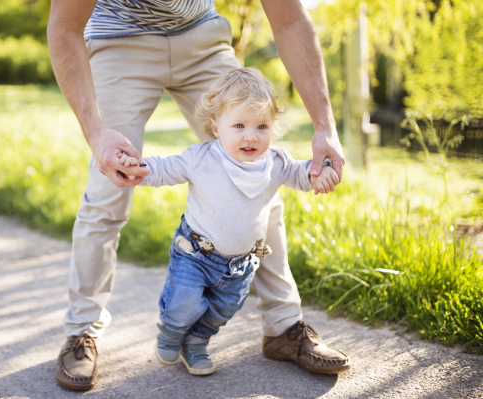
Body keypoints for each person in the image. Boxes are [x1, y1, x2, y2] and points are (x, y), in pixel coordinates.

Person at [48, 0, 348, 391]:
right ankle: (81, 332)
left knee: (261, 182)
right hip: (120, 40)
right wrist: (95, 132)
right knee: (109, 188)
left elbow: (289, 18)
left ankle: (283, 327)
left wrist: (325, 125)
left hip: (201, 36)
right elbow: (65, 28)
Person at [116, 68, 344, 376]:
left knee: (222, 310)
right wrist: (137, 167)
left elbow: (302, 174)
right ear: (215, 126)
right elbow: (165, 168)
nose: (251, 136)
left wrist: (321, 173)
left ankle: (196, 343)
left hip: (240, 265)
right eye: (239, 125)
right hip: (195, 253)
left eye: (261, 126)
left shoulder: (276, 163)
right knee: (184, 304)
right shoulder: (202, 158)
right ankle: (172, 331)